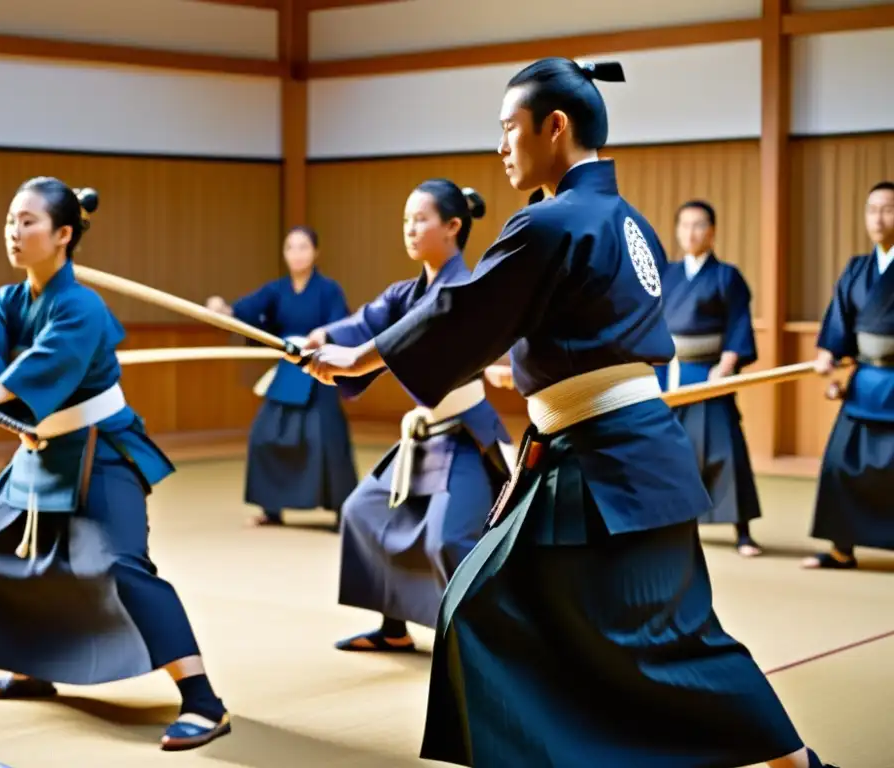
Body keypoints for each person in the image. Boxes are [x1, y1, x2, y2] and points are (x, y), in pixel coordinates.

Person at [297, 59, 837, 768]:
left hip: (607, 463)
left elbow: (465, 313)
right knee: (521, 611)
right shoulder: (625, 221)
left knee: (658, 635)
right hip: (608, 453)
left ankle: (793, 764)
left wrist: (358, 358)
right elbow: (561, 326)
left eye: (509, 130)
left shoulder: (552, 222)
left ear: (555, 128)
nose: (501, 147)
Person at [0, 177, 230, 752]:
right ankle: (33, 667)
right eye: (10, 220)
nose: (14, 232)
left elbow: (53, 361)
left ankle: (203, 700)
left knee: (123, 569)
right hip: (41, 454)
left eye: (28, 222)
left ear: (63, 234)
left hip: (100, 449)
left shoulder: (82, 306)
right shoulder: (6, 302)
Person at [303, 180, 513, 653]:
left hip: (464, 434)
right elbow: (367, 323)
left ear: (453, 226)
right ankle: (393, 627)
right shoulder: (407, 292)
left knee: (448, 539)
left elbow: (407, 342)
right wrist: (320, 338)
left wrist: (351, 358)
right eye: (406, 221)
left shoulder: (466, 290)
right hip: (423, 434)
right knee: (364, 511)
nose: (411, 229)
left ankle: (483, 643)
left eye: (421, 219)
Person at [207, 226, 358, 529]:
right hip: (288, 373)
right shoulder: (276, 290)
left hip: (319, 372)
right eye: (291, 247)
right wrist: (222, 309)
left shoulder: (329, 290)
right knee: (265, 434)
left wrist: (320, 340)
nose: (297, 253)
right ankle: (272, 509)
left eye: (303, 247)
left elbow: (341, 325)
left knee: (326, 439)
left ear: (315, 252)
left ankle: (343, 512)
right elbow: (244, 312)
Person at [655, 200, 764, 557]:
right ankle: (667, 525)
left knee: (724, 447)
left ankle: (742, 531)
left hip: (709, 372)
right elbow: (650, 323)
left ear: (712, 232)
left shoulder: (726, 276)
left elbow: (737, 324)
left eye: (699, 225)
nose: (690, 233)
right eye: (684, 225)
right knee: (669, 451)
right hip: (670, 373)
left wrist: (726, 366)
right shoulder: (666, 274)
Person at [804, 180, 894, 570]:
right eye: (872, 209)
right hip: (865, 383)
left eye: (888, 208)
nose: (878, 217)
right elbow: (839, 326)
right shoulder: (857, 268)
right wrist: (829, 356)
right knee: (841, 462)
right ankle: (842, 548)